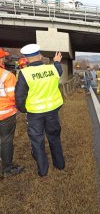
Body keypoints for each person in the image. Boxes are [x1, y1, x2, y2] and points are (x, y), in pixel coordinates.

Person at [15, 44, 65, 177]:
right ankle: (59, 164)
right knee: (54, 137)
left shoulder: (24, 73)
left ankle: (43, 170)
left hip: (35, 113)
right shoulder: (52, 69)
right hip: (52, 111)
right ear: (40, 55)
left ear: (26, 58)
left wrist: (24, 109)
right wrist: (56, 61)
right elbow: (59, 71)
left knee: (37, 141)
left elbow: (20, 96)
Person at [0, 48, 24, 178]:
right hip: (5, 115)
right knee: (6, 141)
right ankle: (7, 168)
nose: (4, 59)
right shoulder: (7, 75)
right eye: (2, 57)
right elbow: (13, 97)